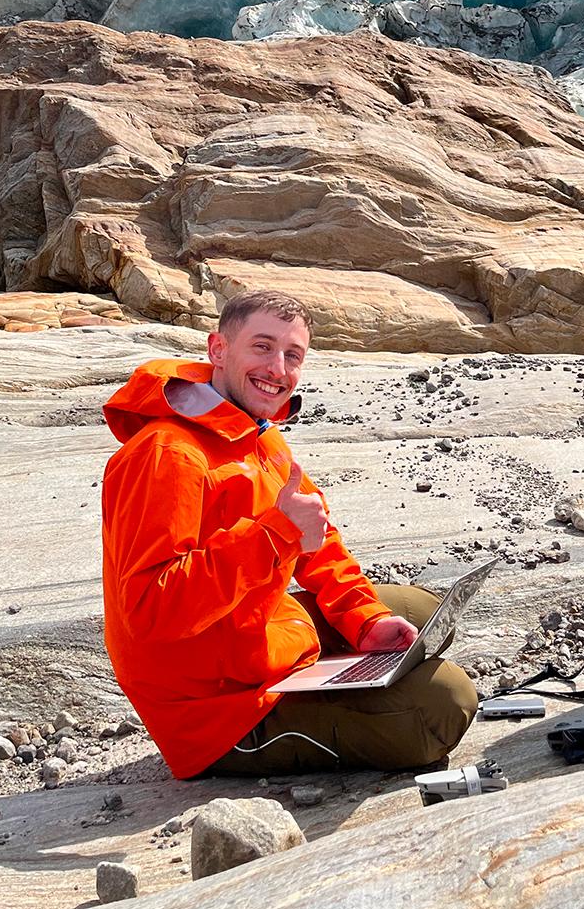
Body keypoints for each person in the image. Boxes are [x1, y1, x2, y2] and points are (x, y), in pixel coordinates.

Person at [100, 289, 478, 779]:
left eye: (292, 355)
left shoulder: (252, 430)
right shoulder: (166, 455)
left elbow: (318, 543)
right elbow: (150, 610)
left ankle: (341, 671)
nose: (277, 368)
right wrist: (274, 536)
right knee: (444, 705)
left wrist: (364, 620)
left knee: (416, 611)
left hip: (249, 638)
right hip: (211, 709)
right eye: (262, 347)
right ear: (218, 350)